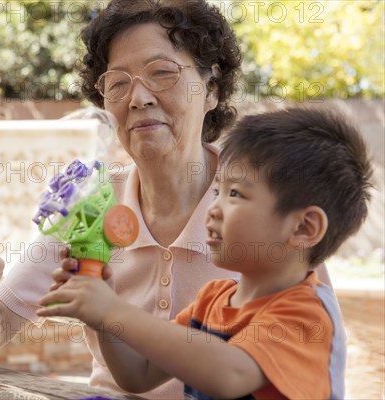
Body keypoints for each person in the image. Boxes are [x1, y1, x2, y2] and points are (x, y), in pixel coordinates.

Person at [0, 1, 329, 398]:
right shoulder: (88, 205)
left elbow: (314, 364)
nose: (138, 97)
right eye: (118, 83)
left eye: (162, 73)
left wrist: (107, 310)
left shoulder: (267, 205)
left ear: (210, 89)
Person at [37, 107, 373, 399]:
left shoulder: (306, 315)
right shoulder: (212, 301)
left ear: (303, 227)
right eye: (218, 190)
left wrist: (112, 310)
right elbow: (137, 376)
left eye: (236, 194)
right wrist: (104, 321)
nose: (213, 208)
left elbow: (229, 374)